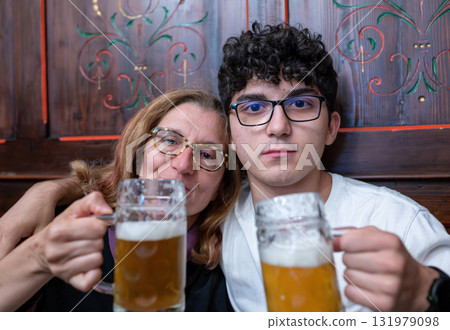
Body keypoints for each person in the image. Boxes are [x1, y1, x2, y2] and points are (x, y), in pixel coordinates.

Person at [217, 22, 450, 312]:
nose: (278, 127)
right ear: (229, 136)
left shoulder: (399, 221)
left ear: (330, 128)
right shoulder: (218, 222)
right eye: (253, 108)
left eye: (300, 103)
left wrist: (428, 292)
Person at [0, 89, 241, 311]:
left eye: (208, 155)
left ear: (220, 187)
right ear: (138, 153)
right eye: (169, 140)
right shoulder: (60, 225)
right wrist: (45, 193)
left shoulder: (227, 269)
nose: (182, 164)